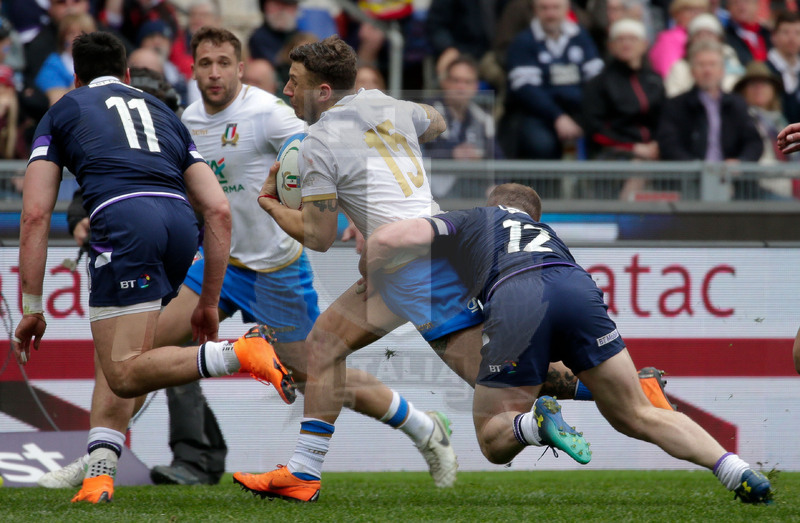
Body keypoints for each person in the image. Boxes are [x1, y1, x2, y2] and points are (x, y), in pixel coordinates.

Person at [235, 35, 677, 503]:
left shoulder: (318, 142)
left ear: (324, 92)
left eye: (295, 82)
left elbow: (318, 236)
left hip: (417, 272)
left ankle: (634, 390)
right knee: (324, 343)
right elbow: (438, 122)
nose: (286, 90)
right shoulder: (384, 103)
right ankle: (304, 470)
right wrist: (375, 200)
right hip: (426, 248)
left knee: (503, 380)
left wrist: (267, 203)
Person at [360, 182, 773, 505]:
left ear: (492, 203)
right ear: (533, 216)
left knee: (492, 438)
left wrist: (371, 263)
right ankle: (737, 471)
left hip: (516, 293)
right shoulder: (547, 232)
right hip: (575, 285)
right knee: (636, 414)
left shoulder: (471, 218)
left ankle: (534, 424)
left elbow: (391, 239)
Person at [12, 31, 294, 504]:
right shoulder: (165, 112)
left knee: (121, 370)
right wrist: (207, 301)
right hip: (181, 226)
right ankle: (100, 474)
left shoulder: (64, 109)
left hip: (124, 222)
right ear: (126, 75)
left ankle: (240, 355)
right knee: (128, 354)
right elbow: (218, 210)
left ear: (77, 79)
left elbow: (35, 213)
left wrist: (33, 305)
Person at [38, 67, 226, 489]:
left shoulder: (176, 121)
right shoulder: (163, 118)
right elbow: (90, 187)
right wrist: (81, 220)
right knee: (137, 356)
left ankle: (109, 458)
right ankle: (189, 456)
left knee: (130, 360)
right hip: (196, 244)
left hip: (226, 252)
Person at [501, 0, 604, 159]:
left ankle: (588, 184)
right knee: (540, 144)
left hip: (579, 111)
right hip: (538, 114)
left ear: (567, 9)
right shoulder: (523, 41)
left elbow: (596, 80)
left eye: (556, 7)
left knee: (603, 135)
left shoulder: (581, 37)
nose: (551, 14)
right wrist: (557, 116)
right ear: (535, 10)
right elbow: (526, 89)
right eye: (544, 8)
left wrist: (584, 116)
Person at [657, 40, 762, 164]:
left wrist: (740, 162)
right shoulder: (676, 105)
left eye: (712, 64)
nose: (707, 71)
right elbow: (669, 144)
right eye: (701, 65)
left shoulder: (736, 103)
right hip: (689, 179)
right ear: (692, 71)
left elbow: (754, 142)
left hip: (730, 179)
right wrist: (694, 167)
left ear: (722, 70)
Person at [664, 13, 745, 98]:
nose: (704, 39)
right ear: (691, 40)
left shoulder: (731, 59)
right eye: (699, 35)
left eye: (709, 34)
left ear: (719, 39)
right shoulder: (679, 67)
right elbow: (674, 97)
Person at [34, 13, 96, 106]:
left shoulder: (102, 63)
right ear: (63, 37)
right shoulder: (53, 64)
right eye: (71, 33)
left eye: (83, 33)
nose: (77, 38)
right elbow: (56, 102)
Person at [648, 0, 709, 78]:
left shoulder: (709, 36)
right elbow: (668, 74)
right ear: (677, 14)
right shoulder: (668, 39)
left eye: (700, 10)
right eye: (689, 9)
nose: (695, 14)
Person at [767, 10, 800, 124]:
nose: (792, 38)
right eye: (786, 32)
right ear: (774, 37)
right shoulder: (765, 70)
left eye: (797, 33)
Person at [724, 0, 771, 67]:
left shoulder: (768, 34)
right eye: (735, 2)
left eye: (746, 1)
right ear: (728, 8)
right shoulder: (724, 36)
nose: (741, 6)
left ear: (756, 5)